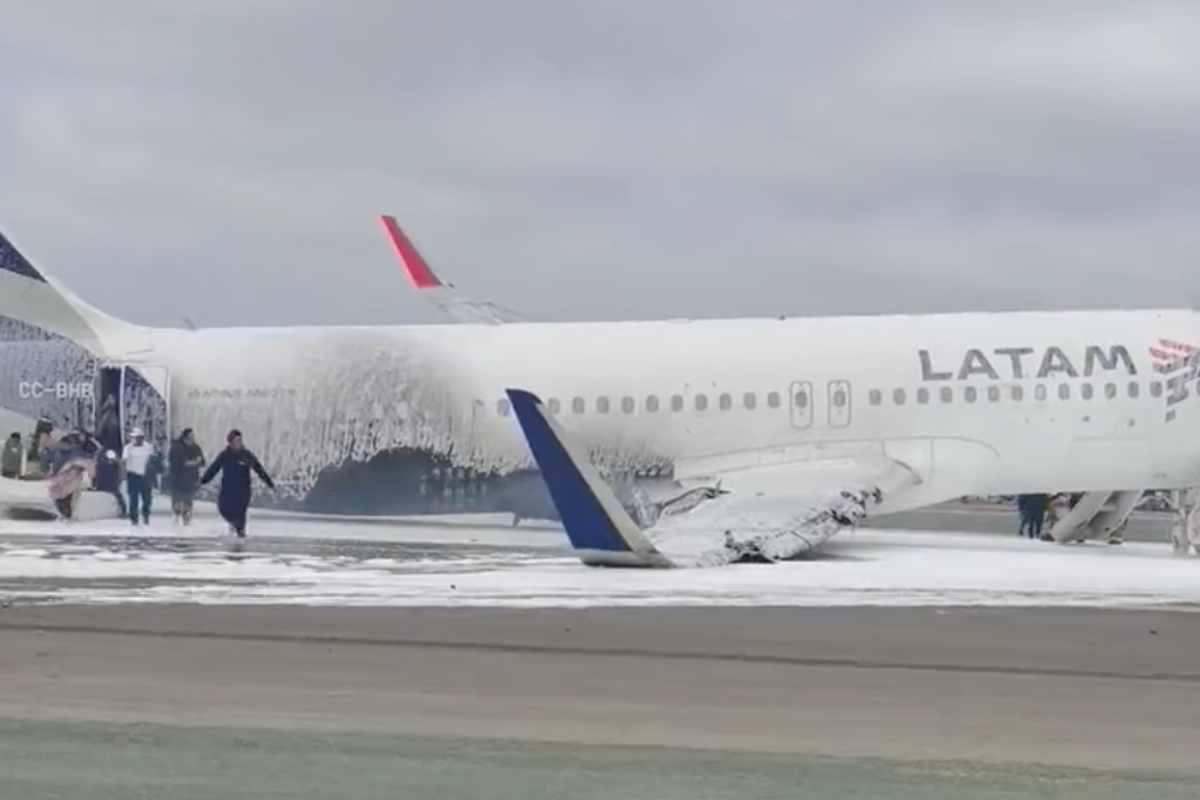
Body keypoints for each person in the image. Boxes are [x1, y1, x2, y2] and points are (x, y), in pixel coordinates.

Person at [199, 429, 275, 537]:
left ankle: (240, 538)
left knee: (240, 514)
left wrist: (269, 483)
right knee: (224, 509)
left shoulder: (247, 455)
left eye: (240, 440)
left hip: (243, 491)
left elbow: (259, 469)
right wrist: (202, 481)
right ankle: (234, 525)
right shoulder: (225, 455)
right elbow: (213, 469)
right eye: (236, 440)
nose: (238, 443)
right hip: (228, 490)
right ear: (230, 442)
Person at [168, 428, 206, 525]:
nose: (192, 439)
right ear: (185, 438)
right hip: (177, 478)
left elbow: (202, 461)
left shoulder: (195, 447)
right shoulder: (176, 448)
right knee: (177, 498)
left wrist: (197, 462)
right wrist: (193, 462)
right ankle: (176, 515)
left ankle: (187, 517)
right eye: (190, 437)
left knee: (188, 499)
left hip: (191, 479)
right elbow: (179, 463)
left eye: (193, 437)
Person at [122, 427, 156, 526]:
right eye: (134, 438)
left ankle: (146, 516)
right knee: (133, 499)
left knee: (147, 499)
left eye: (138, 438)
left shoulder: (148, 447)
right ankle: (134, 518)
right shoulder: (128, 448)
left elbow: (151, 460)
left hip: (145, 476)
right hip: (133, 476)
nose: (136, 440)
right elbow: (124, 461)